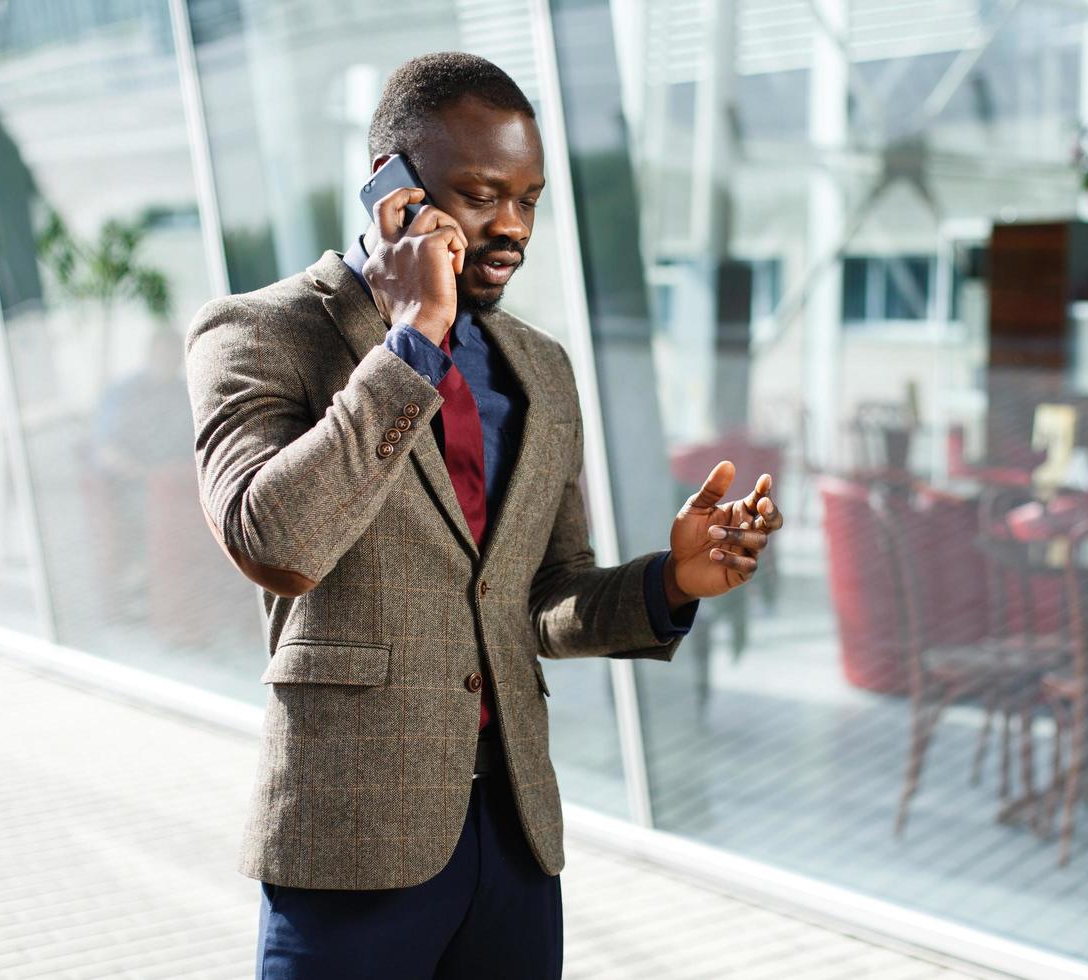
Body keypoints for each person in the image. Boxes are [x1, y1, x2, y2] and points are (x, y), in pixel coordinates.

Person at [183, 52, 783, 979]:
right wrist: (412, 339)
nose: (511, 227)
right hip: (354, 840)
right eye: (479, 194)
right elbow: (276, 545)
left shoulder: (539, 370)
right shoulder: (258, 333)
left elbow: (539, 598)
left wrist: (670, 581)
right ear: (394, 193)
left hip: (513, 839)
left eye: (531, 198)